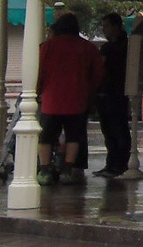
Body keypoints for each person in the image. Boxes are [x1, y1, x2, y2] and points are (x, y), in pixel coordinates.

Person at [36, 12, 102, 186]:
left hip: (51, 100)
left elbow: (39, 71)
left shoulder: (47, 47)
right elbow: (98, 74)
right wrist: (89, 91)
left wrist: (37, 91)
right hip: (77, 99)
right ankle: (67, 170)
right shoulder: (87, 47)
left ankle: (44, 170)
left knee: (46, 137)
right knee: (73, 136)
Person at [96, 13, 132, 177]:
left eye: (107, 26)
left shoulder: (116, 47)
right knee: (110, 130)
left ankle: (118, 164)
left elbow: (100, 68)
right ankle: (112, 163)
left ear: (116, 26)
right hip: (109, 92)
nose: (104, 30)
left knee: (118, 129)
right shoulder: (116, 46)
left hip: (116, 92)